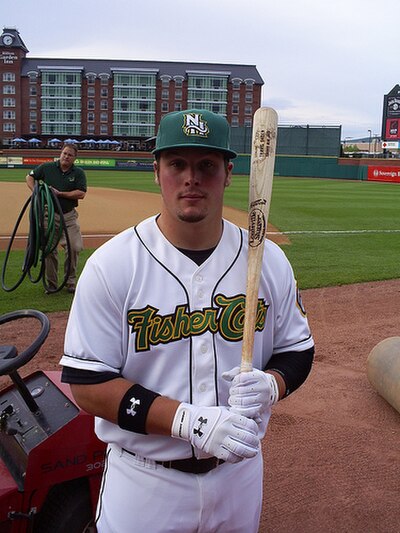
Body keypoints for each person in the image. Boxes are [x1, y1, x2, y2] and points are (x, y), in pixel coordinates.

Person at [60, 109, 314, 533]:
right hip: (145, 483)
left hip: (239, 477)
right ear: (156, 171)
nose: (191, 178)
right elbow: (87, 385)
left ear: (229, 173)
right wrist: (188, 421)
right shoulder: (114, 265)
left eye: (206, 166)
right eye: (177, 164)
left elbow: (297, 350)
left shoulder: (268, 260)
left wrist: (273, 384)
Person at [26, 142, 87, 293]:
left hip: (69, 217)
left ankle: (70, 282)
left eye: (70, 155)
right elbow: (30, 177)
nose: (66, 156)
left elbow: (81, 193)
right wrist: (36, 191)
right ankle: (52, 284)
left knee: (74, 247)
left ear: (74, 158)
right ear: (60, 153)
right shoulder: (47, 167)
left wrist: (59, 193)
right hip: (49, 216)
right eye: (64, 153)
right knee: (48, 250)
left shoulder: (78, 173)